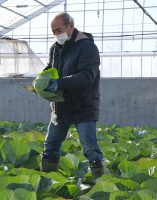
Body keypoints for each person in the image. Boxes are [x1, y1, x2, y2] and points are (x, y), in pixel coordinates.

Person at [41, 12, 108, 181]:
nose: (56, 34)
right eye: (53, 31)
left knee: (90, 149)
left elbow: (86, 76)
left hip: (83, 106)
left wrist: (60, 83)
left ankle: (102, 187)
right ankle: (48, 185)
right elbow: (49, 69)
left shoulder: (87, 47)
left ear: (70, 26)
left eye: (59, 30)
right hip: (61, 107)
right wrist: (40, 83)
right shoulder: (55, 48)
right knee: (50, 147)